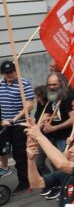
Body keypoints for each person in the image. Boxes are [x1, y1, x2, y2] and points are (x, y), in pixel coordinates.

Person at [0, 60, 34, 194]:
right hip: (4, 125)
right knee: (3, 150)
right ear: (3, 73)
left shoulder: (23, 83)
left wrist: (13, 119)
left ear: (15, 70)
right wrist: (2, 120)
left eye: (11, 72)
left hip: (19, 125)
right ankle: (5, 168)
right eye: (7, 73)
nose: (10, 75)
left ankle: (24, 182)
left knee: (20, 154)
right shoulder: (1, 84)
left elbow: (29, 105)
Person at [41, 72, 74, 151]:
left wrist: (54, 128)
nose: (51, 87)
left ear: (61, 84)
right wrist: (36, 130)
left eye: (54, 84)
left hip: (66, 137)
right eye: (49, 85)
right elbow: (46, 115)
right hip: (54, 136)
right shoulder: (52, 96)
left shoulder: (68, 97)